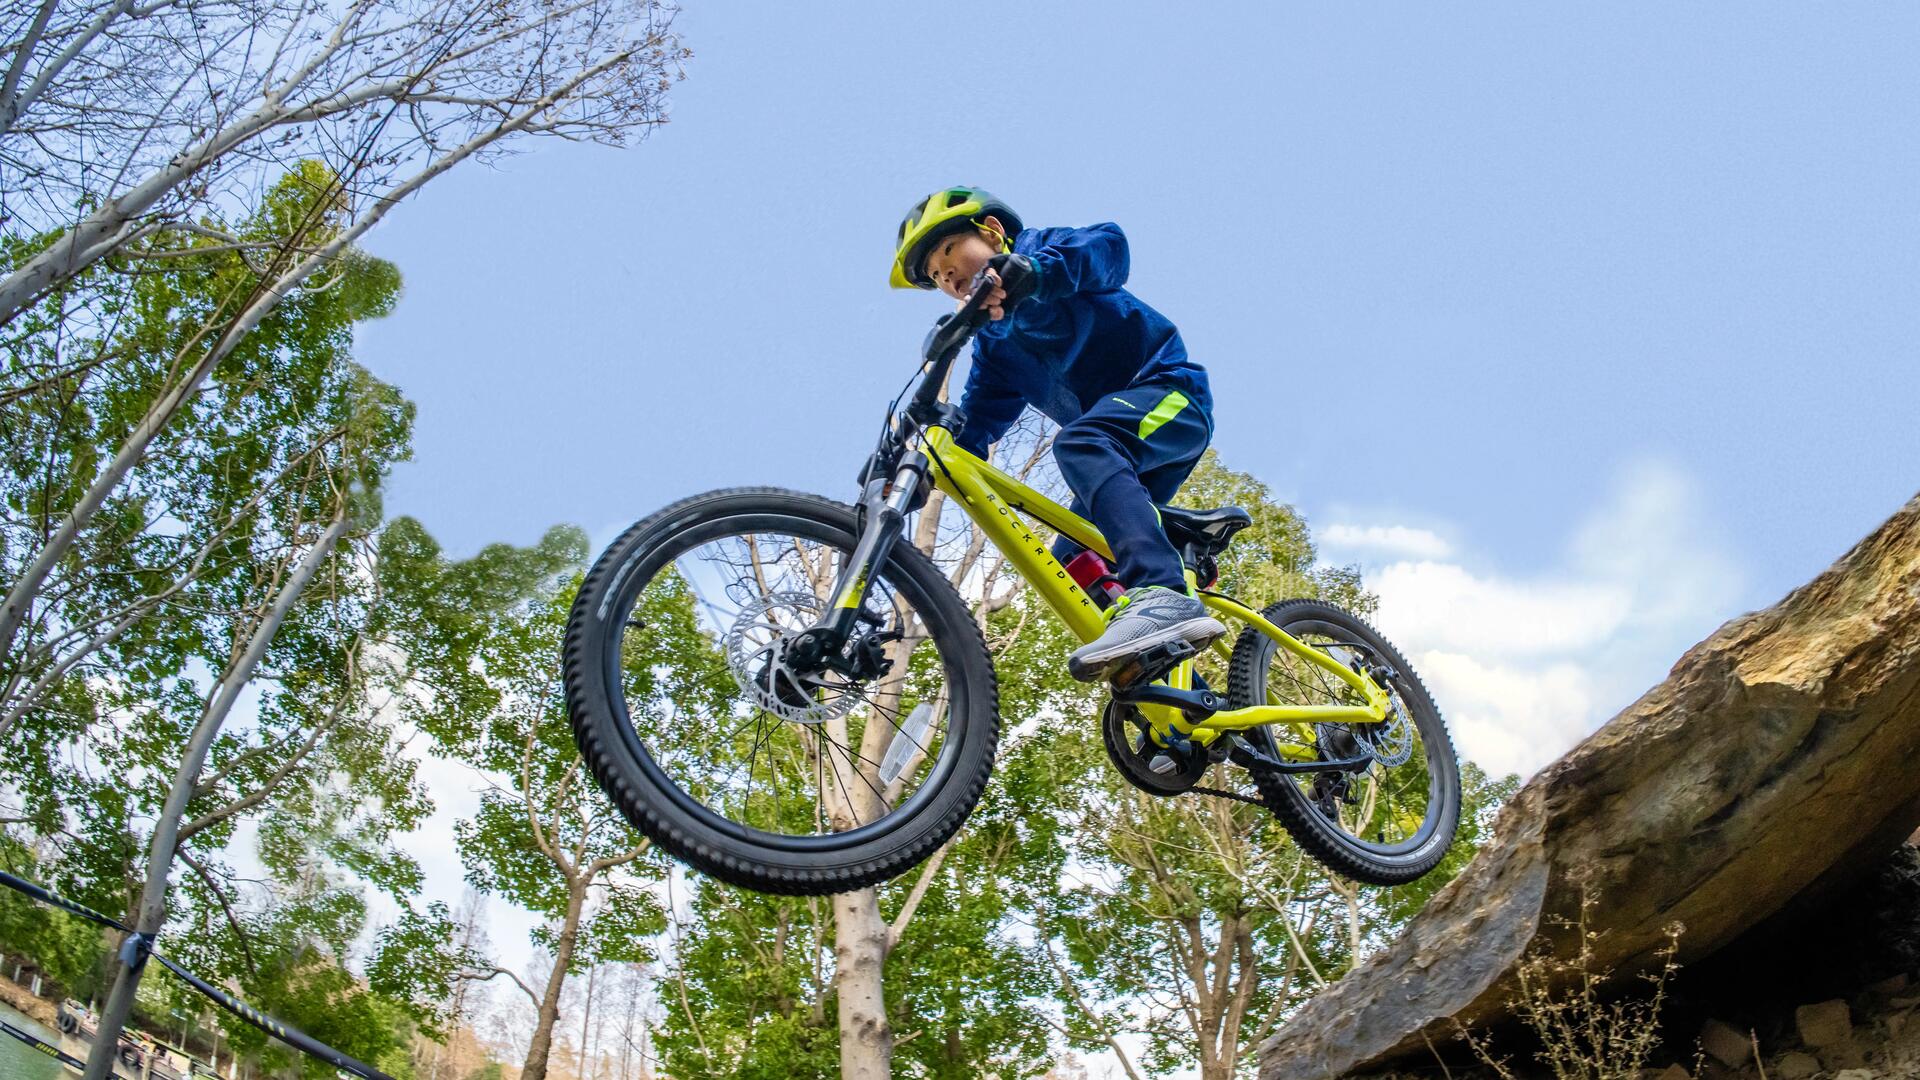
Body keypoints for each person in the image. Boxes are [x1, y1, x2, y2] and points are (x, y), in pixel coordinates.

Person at [890, 186, 1226, 682]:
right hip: (1117, 452)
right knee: (1072, 561)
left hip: (1170, 397)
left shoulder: (1043, 252)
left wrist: (1038, 273)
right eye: (937, 277)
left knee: (1081, 442)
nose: (947, 276)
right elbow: (979, 421)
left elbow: (1110, 247)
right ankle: (1180, 706)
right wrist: (928, 464)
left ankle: (1163, 593)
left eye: (946, 252)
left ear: (994, 232)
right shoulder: (996, 345)